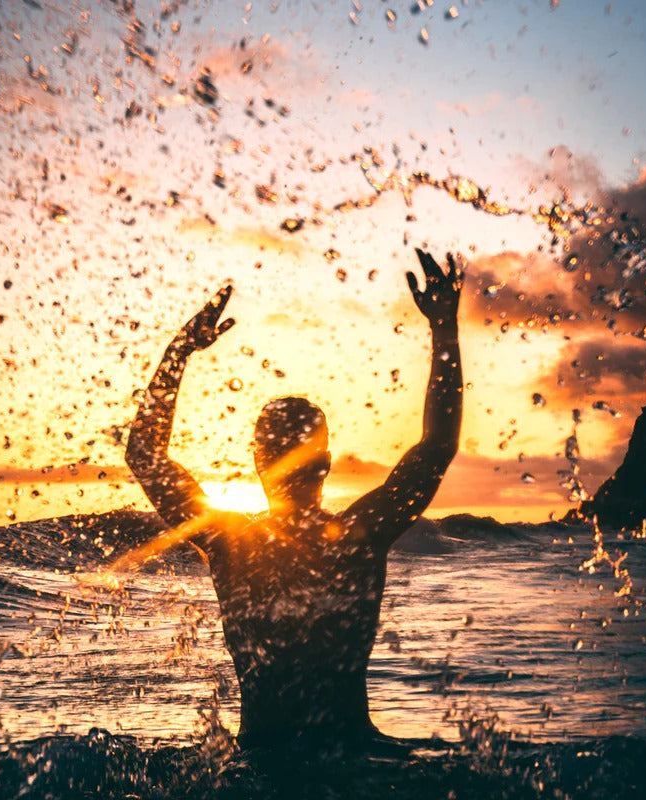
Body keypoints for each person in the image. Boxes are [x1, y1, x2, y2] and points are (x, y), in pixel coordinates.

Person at [124, 249, 463, 750]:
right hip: (355, 755)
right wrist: (444, 330)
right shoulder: (358, 536)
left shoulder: (231, 543)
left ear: (258, 462)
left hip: (262, 759)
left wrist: (180, 352)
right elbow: (437, 447)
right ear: (326, 463)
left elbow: (144, 454)